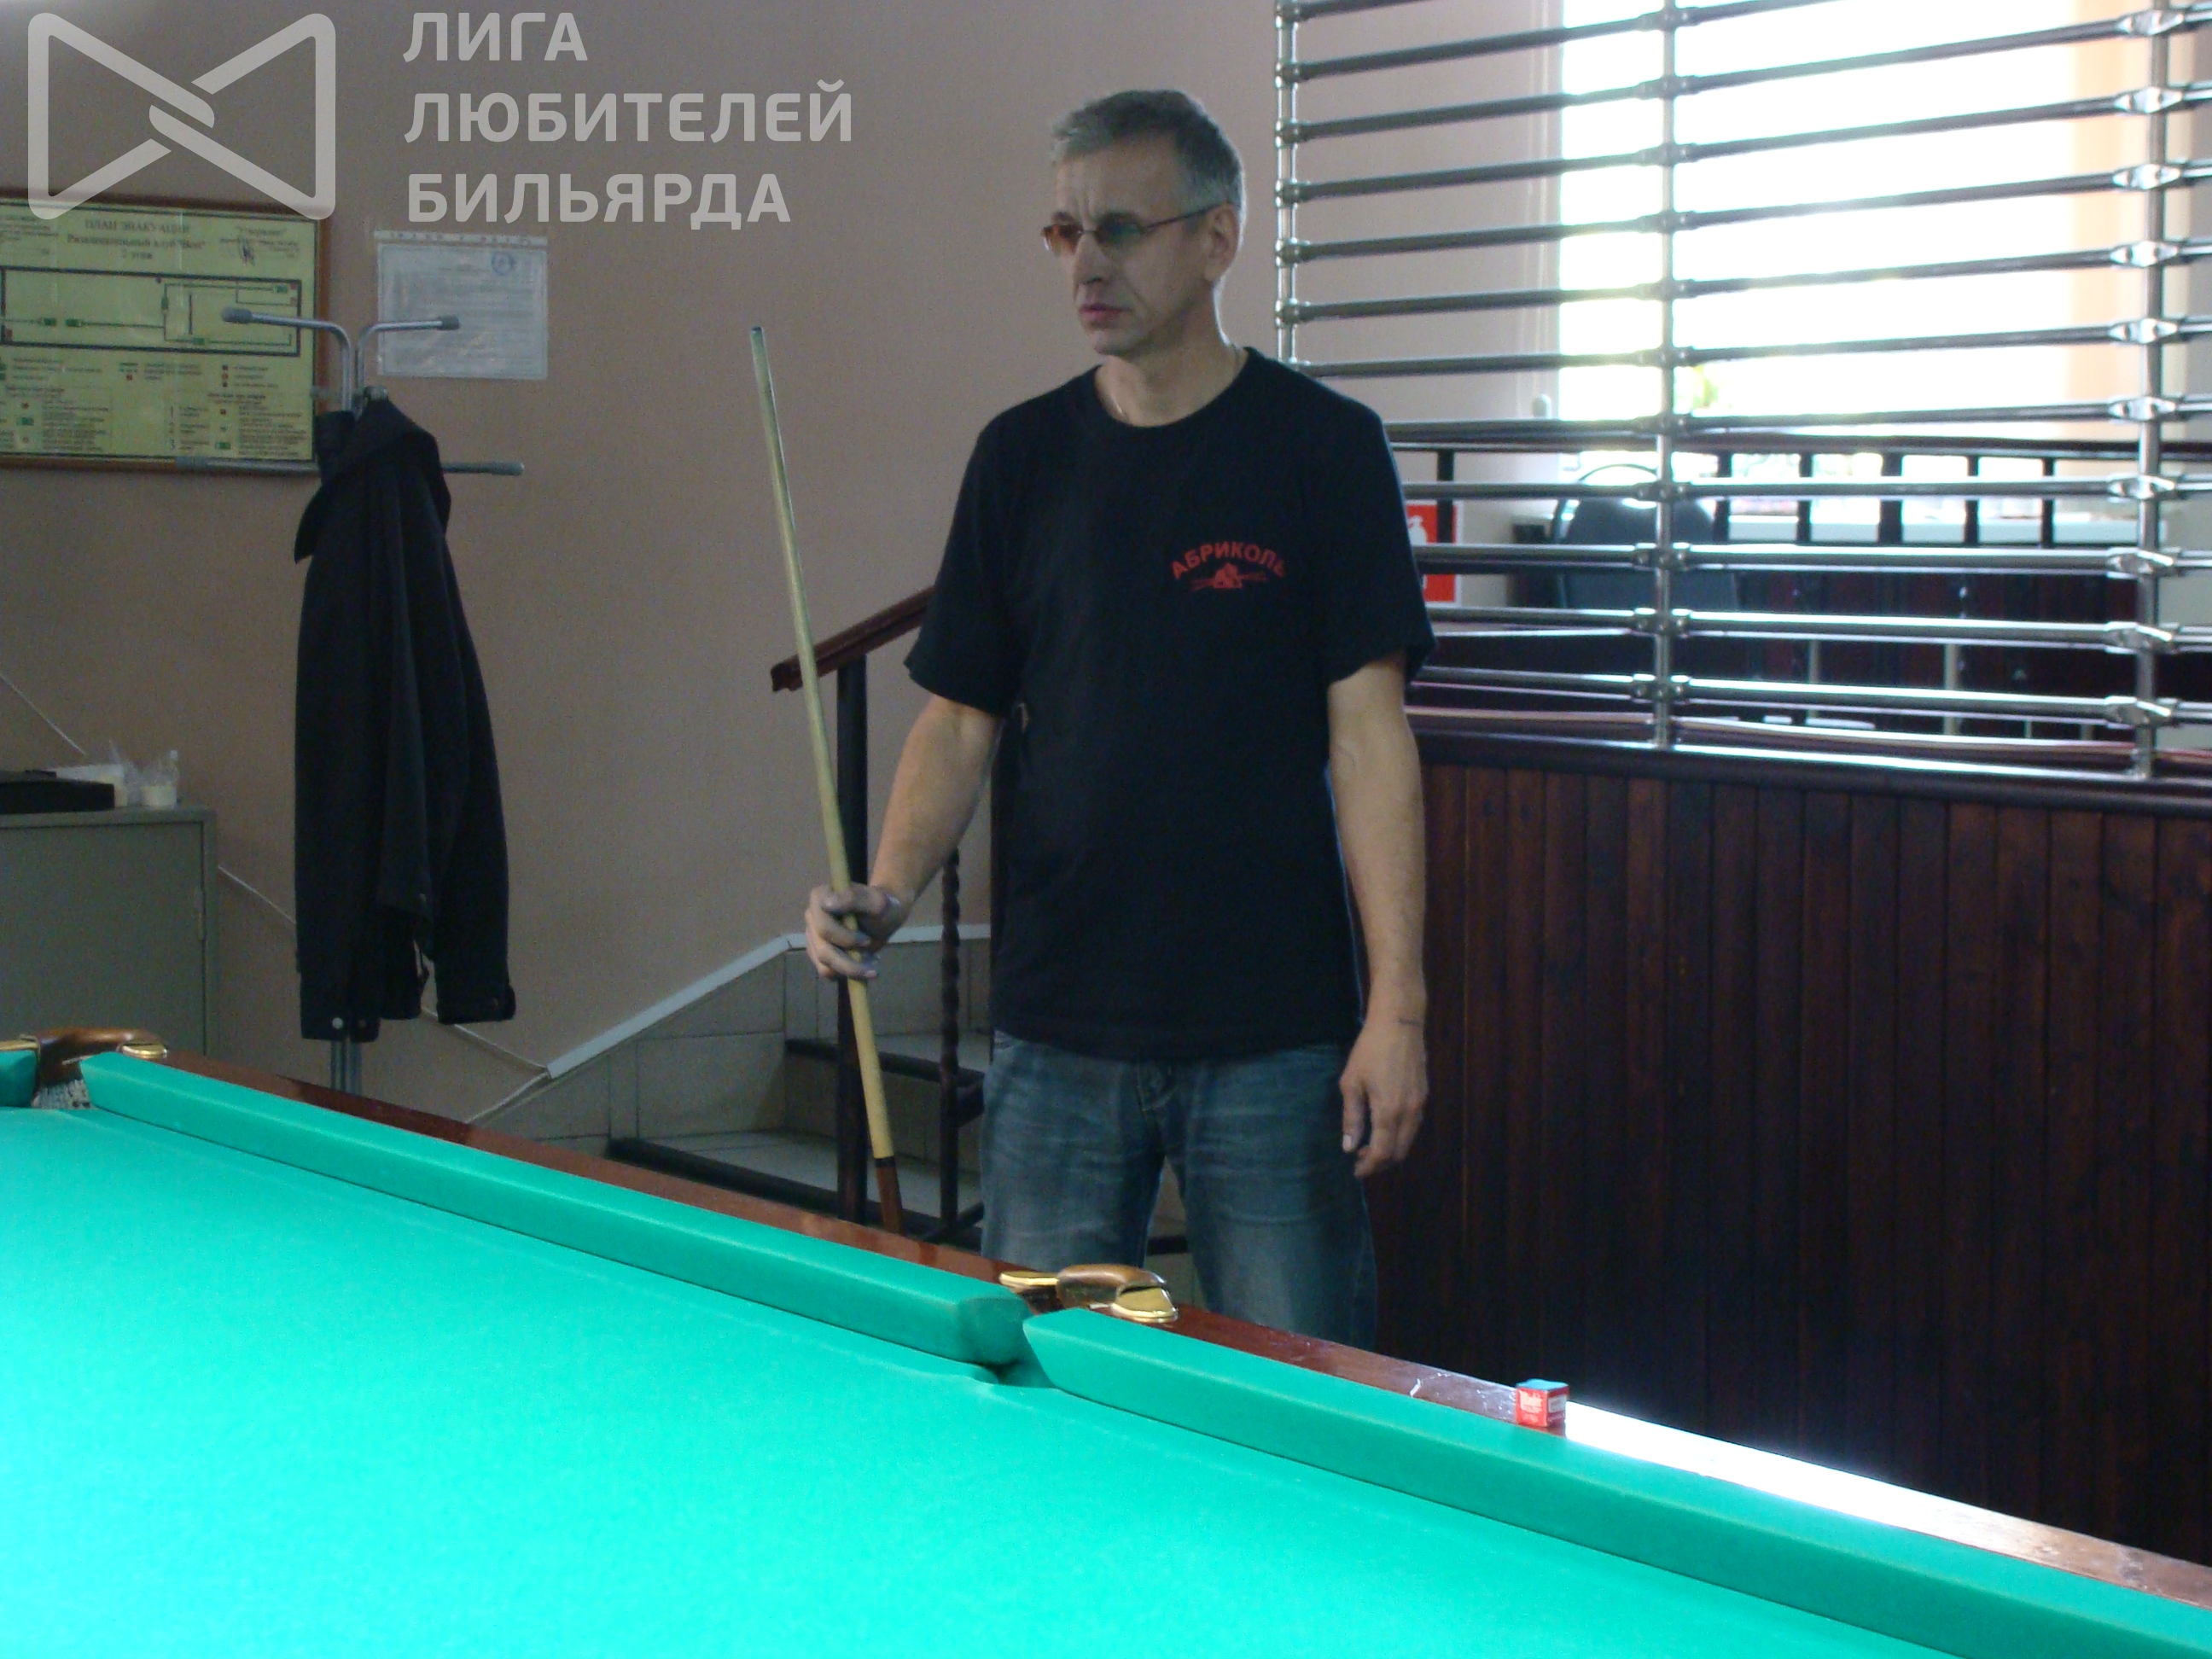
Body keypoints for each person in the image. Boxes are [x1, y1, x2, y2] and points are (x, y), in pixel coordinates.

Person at [801, 88, 1432, 1346]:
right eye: (1066, 232)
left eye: (1122, 230)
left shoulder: (1324, 450)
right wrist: (889, 887)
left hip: (1273, 1029)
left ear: (1218, 238)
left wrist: (1398, 1007)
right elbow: (959, 720)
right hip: (1058, 1028)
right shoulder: (1021, 458)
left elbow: (1370, 741)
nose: (1087, 264)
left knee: (1292, 1397)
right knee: (1044, 1387)